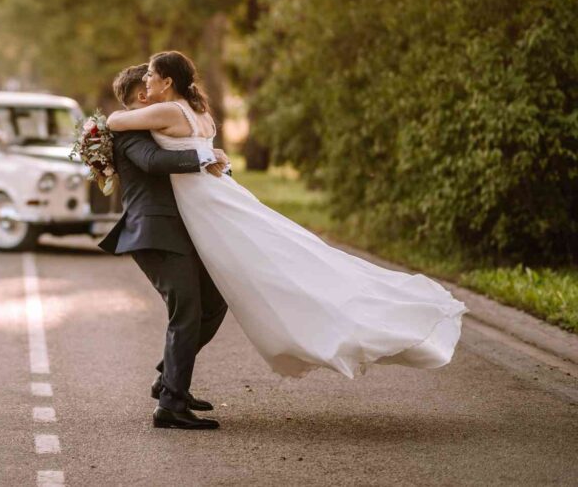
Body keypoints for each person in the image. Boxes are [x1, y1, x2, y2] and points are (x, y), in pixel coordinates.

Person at [107, 51, 468, 380]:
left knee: (255, 275)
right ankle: (174, 377)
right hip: (218, 195)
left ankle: (173, 378)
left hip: (205, 203)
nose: (148, 83)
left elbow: (114, 122)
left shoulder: (169, 111)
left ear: (167, 81)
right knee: (272, 264)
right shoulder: (202, 113)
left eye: (152, 76)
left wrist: (107, 128)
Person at [99, 64, 231, 430]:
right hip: (154, 231)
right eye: (148, 83)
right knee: (186, 311)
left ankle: (169, 380)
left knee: (214, 300)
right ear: (142, 97)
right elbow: (153, 163)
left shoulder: (155, 125)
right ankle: (170, 406)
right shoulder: (131, 132)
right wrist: (203, 158)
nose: (152, 87)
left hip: (180, 230)